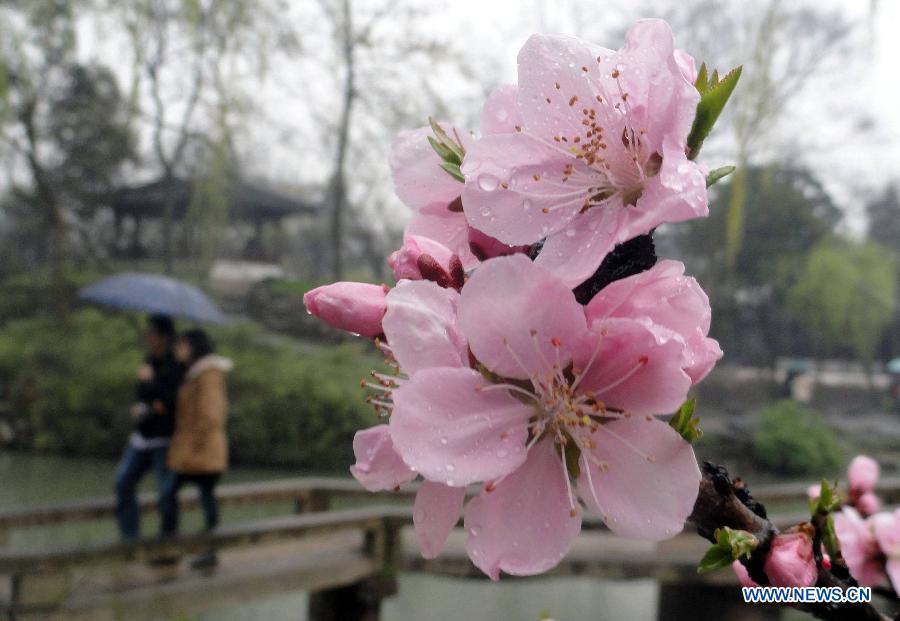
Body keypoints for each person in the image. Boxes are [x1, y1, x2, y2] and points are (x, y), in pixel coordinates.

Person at [161, 328, 232, 566]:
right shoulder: (193, 373)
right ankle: (180, 549)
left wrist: (195, 440)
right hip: (194, 449)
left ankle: (196, 550)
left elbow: (211, 414)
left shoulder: (207, 374)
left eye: (181, 345)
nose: (178, 350)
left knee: (180, 495)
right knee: (196, 497)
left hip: (201, 449)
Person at [114, 314, 184, 539]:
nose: (148, 337)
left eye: (152, 333)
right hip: (142, 435)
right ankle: (130, 537)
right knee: (123, 482)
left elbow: (169, 402)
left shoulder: (175, 365)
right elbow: (146, 398)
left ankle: (168, 544)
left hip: (163, 438)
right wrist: (144, 405)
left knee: (166, 492)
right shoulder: (148, 361)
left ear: (164, 337)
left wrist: (151, 382)